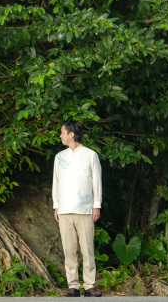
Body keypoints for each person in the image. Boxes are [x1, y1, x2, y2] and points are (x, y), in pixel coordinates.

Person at [53, 121, 103, 297]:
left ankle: (89, 286)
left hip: (85, 210)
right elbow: (56, 183)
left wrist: (96, 205)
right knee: (69, 249)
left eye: (62, 133)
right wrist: (56, 205)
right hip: (65, 210)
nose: (61, 136)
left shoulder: (90, 155)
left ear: (71, 134)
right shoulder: (59, 157)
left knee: (87, 249)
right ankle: (73, 286)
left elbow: (96, 181)